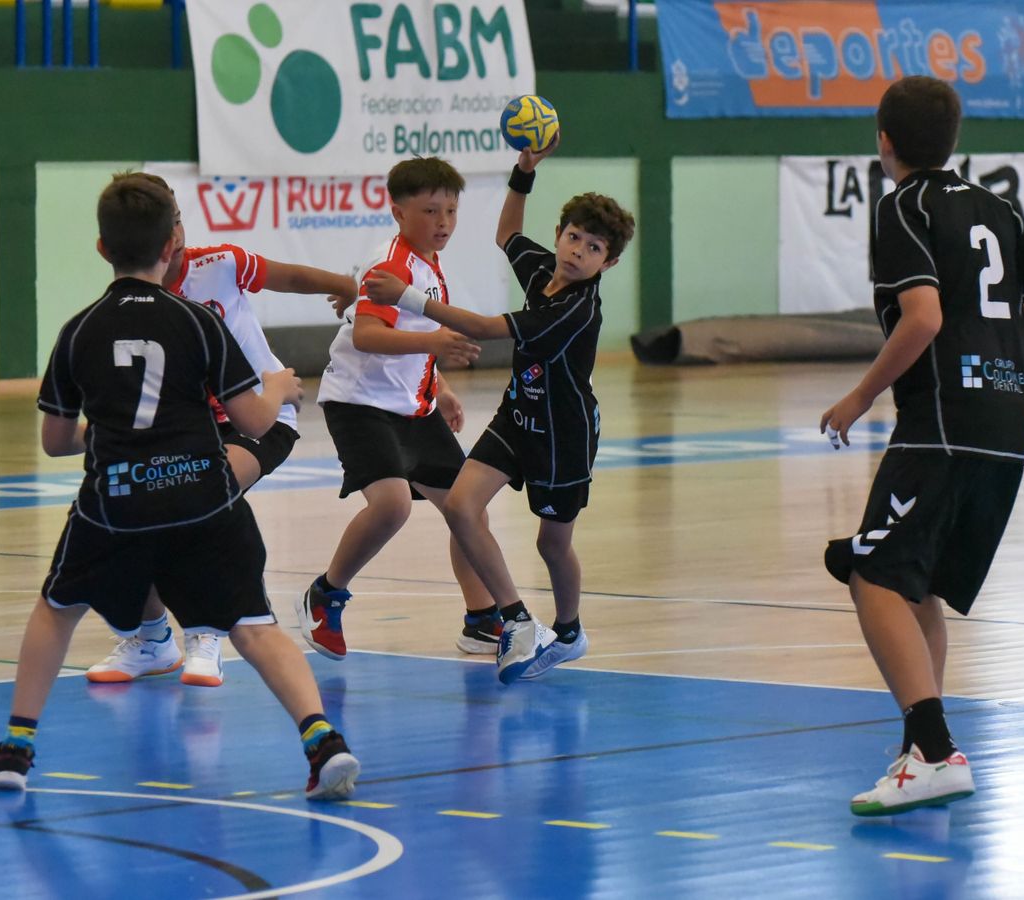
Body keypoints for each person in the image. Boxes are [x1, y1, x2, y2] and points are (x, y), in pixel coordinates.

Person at [0, 173, 359, 800]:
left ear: (102, 248)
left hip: (117, 506)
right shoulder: (197, 323)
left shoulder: (78, 331)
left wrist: (105, 437)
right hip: (201, 500)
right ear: (173, 242)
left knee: (57, 610)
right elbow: (254, 421)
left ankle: (16, 747)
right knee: (255, 624)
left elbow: (54, 440)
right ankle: (323, 741)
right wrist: (283, 387)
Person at [819, 76, 1024, 817]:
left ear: (884, 141)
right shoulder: (996, 206)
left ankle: (935, 751)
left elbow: (924, 316)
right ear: (955, 139)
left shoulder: (903, 205)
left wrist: (860, 396)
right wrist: (1003, 354)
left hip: (943, 419)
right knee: (919, 582)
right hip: (1008, 418)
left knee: (871, 572)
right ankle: (919, 750)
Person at [363, 138, 636, 684]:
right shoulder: (544, 271)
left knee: (551, 543)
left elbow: (487, 330)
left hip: (564, 435)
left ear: (609, 261)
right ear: (560, 234)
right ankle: (513, 618)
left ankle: (570, 629)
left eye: (594, 248)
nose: (578, 250)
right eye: (574, 237)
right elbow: (506, 232)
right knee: (462, 507)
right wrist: (523, 170)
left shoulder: (575, 308)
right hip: (518, 416)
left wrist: (407, 298)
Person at [83, 173, 357, 689]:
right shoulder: (128, 301)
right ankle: (152, 638)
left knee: (203, 492)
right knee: (148, 506)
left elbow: (289, 276)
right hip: (190, 427)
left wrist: (344, 286)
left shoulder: (220, 263)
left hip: (260, 414)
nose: (178, 232)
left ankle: (206, 631)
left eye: (180, 219)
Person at [296, 156, 498, 660]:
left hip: (413, 407)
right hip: (359, 403)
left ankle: (481, 620)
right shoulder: (392, 266)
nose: (444, 222)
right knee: (392, 505)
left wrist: (441, 387)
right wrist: (434, 346)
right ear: (398, 212)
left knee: (466, 508)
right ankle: (326, 594)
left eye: (451, 210)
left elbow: (417, 338)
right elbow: (367, 335)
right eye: (431, 211)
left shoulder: (429, 265)